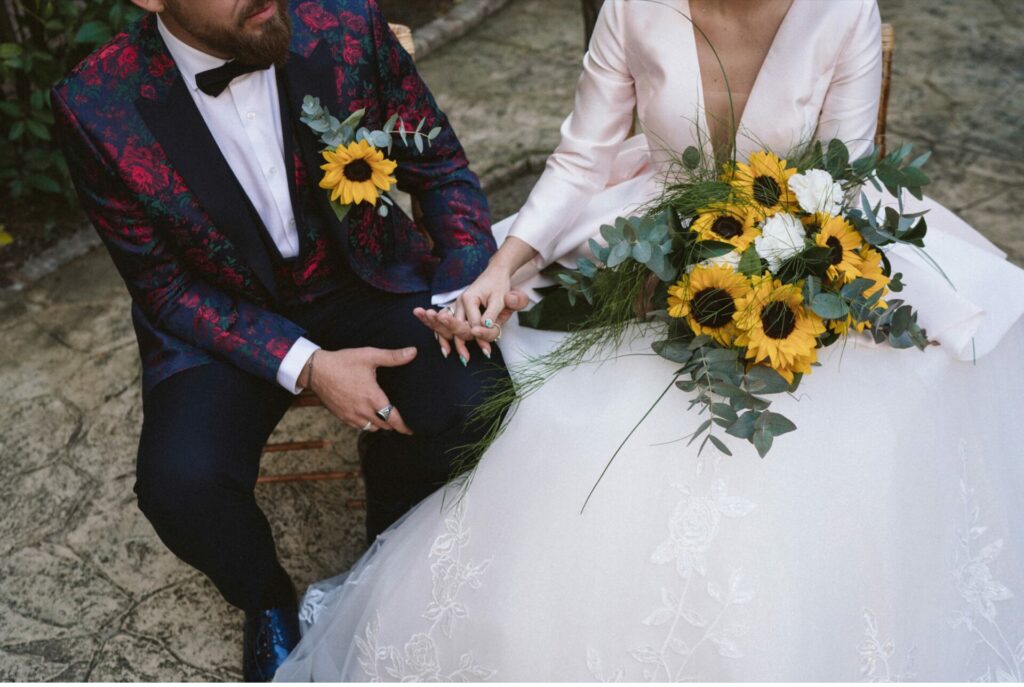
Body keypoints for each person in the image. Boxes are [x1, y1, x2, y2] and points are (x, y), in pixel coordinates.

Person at [277, 0, 1024, 681]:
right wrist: (503, 266)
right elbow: (581, 160)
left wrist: (763, 280)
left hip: (807, 259)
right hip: (643, 243)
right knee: (558, 422)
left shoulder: (843, 12)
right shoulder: (633, 7)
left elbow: (846, 184)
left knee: (875, 426)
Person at [52, 0, 513, 680]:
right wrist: (307, 366)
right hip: (223, 316)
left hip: (366, 278)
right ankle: (264, 595)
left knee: (475, 398)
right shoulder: (95, 105)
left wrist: (459, 288)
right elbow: (167, 289)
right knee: (180, 484)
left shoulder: (347, 26)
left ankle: (389, 528)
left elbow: (439, 166)